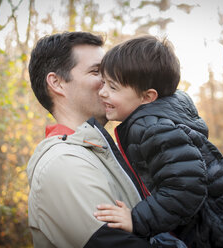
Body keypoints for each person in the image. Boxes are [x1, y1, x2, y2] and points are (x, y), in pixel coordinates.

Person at [94, 35, 223, 247]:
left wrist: (136, 219)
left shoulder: (154, 129)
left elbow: (185, 188)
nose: (102, 92)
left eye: (113, 87)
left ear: (147, 97)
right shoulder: (153, 122)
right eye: (103, 82)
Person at [27, 31, 161, 247]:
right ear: (57, 83)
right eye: (97, 71)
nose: (112, 80)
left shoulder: (99, 152)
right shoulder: (63, 162)